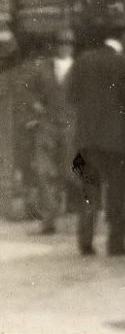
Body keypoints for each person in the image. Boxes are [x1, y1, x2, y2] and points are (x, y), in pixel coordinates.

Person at [68, 26, 125, 256]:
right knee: (117, 192)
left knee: (89, 191)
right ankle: (115, 243)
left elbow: (72, 95)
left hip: (87, 138)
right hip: (117, 140)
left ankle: (86, 242)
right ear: (121, 39)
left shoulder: (82, 61)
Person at [17, 29, 76, 235]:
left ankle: (55, 206)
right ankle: (48, 218)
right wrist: (35, 105)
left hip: (70, 125)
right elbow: (27, 89)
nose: (64, 46)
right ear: (55, 45)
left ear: (72, 46)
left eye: (68, 43)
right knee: (43, 170)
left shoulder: (78, 69)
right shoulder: (43, 68)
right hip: (46, 125)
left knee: (65, 170)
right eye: (61, 42)